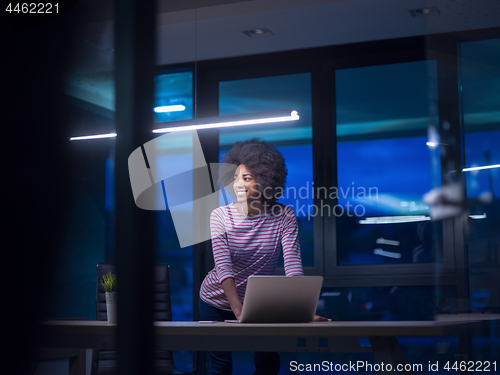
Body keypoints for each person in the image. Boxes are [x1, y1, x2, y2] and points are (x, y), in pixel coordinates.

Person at [199, 138, 326, 375]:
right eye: (235, 178)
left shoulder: (284, 216)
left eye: (246, 178)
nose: (239, 184)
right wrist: (239, 312)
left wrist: (303, 312)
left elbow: (293, 266)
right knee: (222, 368)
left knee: (269, 365)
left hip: (258, 305)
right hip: (215, 301)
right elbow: (224, 268)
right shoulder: (220, 216)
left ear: (266, 180)